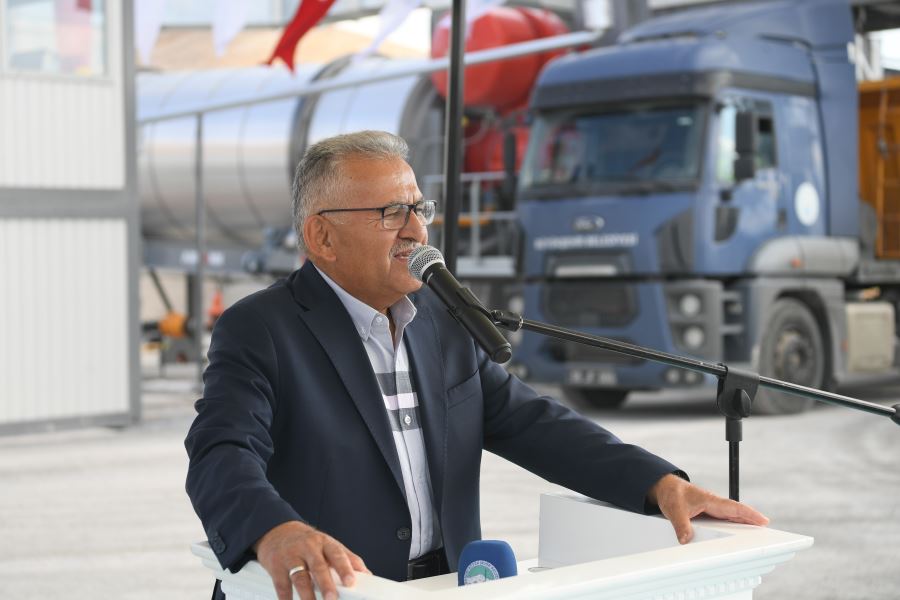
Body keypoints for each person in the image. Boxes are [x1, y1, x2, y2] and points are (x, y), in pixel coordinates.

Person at [185, 130, 768, 600]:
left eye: (419, 208)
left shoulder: (441, 319)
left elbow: (531, 423)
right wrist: (274, 531)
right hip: (335, 591)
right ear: (323, 236)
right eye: (391, 213)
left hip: (448, 587)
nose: (417, 230)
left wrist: (658, 483)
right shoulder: (261, 329)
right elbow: (221, 451)